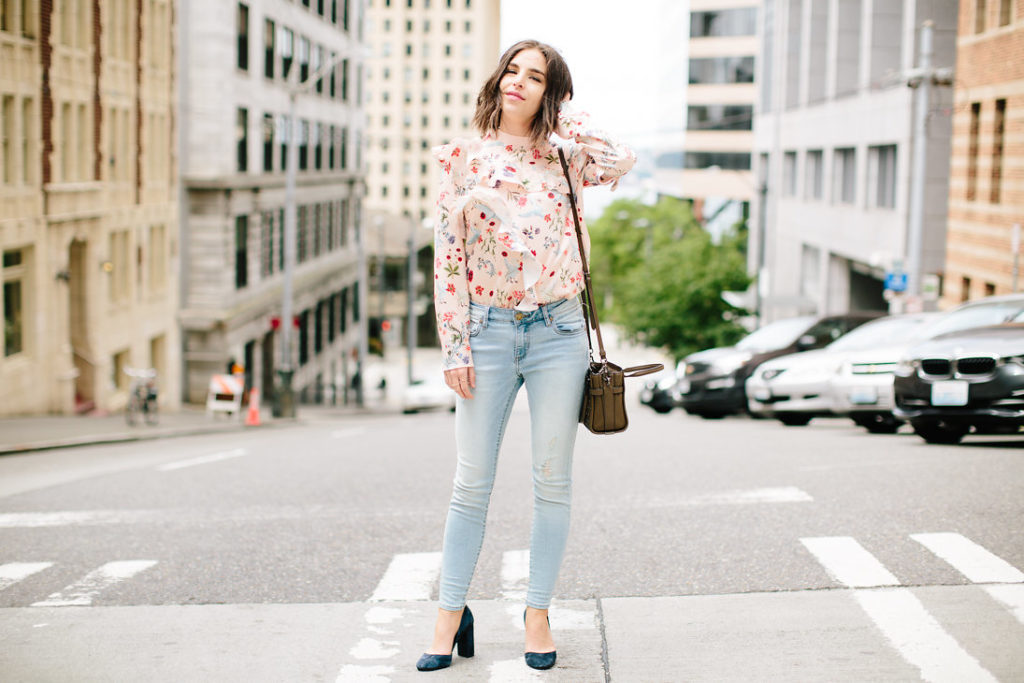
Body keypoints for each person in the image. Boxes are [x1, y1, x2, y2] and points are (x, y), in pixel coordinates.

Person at [416, 40, 635, 673]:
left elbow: (624, 158)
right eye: (512, 70)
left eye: (535, 76)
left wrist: (565, 116)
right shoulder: (464, 159)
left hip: (559, 332)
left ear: (550, 91)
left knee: (551, 480)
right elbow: (448, 259)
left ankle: (537, 613)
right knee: (470, 483)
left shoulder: (567, 158)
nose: (518, 82)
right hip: (485, 330)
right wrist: (454, 343)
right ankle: (449, 613)